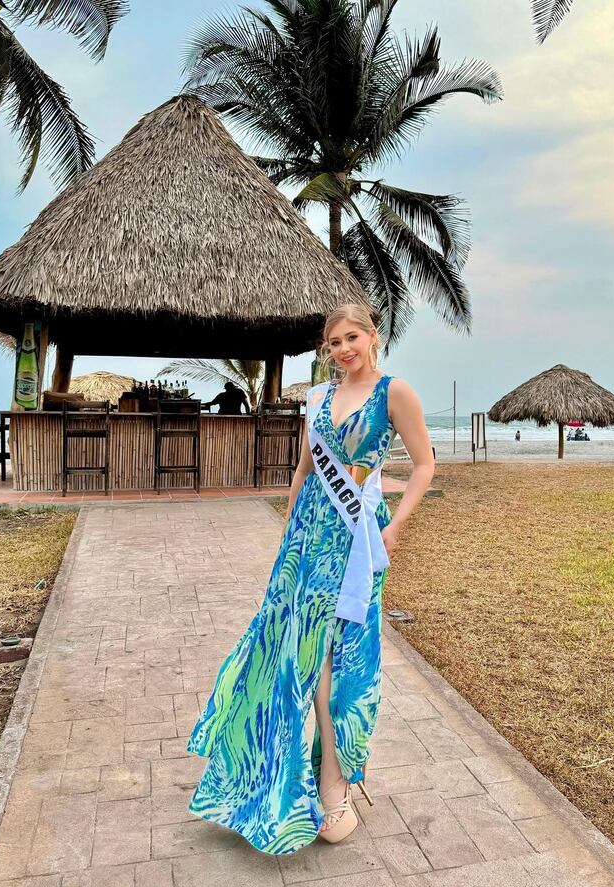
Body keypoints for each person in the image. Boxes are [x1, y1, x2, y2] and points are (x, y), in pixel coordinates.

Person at [186, 303, 435, 852]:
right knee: (297, 650)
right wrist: (290, 520)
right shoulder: (318, 398)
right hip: (306, 539)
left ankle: (336, 782)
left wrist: (396, 527)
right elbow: (303, 468)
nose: (344, 349)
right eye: (334, 343)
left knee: (344, 654)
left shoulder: (395, 393)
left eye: (353, 338)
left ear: (372, 337)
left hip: (356, 541)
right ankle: (283, 776)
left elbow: (424, 465)